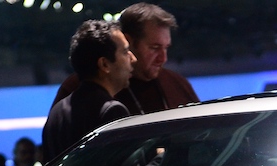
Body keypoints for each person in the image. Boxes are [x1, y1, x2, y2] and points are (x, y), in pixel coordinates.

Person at [53, 3, 198, 117]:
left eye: (166, 48)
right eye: (154, 48)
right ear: (128, 41)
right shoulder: (76, 89)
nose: (163, 58)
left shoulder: (177, 84)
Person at [43, 19, 136, 161]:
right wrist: (161, 158)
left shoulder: (57, 112)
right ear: (105, 64)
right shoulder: (112, 111)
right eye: (125, 52)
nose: (133, 58)